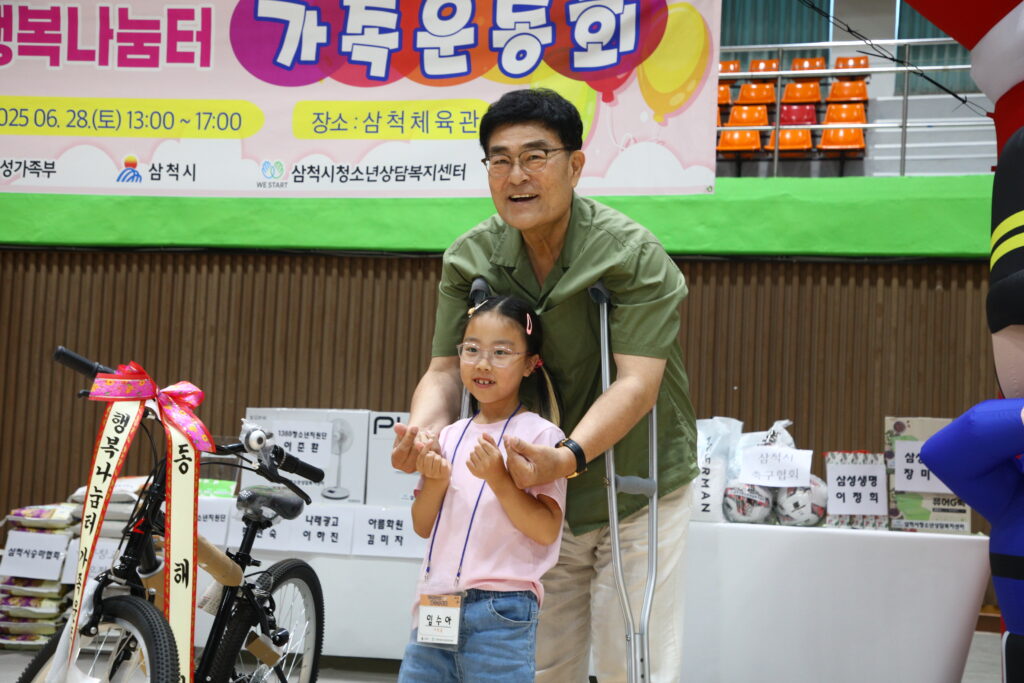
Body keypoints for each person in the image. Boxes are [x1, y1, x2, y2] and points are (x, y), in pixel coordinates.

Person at [392, 87, 697, 682]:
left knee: (628, 660)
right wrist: (423, 434)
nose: (517, 176)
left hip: (631, 481)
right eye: (500, 160)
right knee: (543, 665)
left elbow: (637, 384)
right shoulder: (470, 260)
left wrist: (568, 457)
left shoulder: (631, 255)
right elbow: (445, 371)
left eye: (536, 157)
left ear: (575, 165)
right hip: (530, 491)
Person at [398, 295, 567, 683]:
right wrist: (436, 480)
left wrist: (499, 478)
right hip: (437, 600)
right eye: (471, 349)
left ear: (531, 364)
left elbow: (546, 529)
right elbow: (422, 525)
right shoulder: (449, 435)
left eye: (501, 352)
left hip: (502, 611)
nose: (483, 363)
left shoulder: (542, 435)